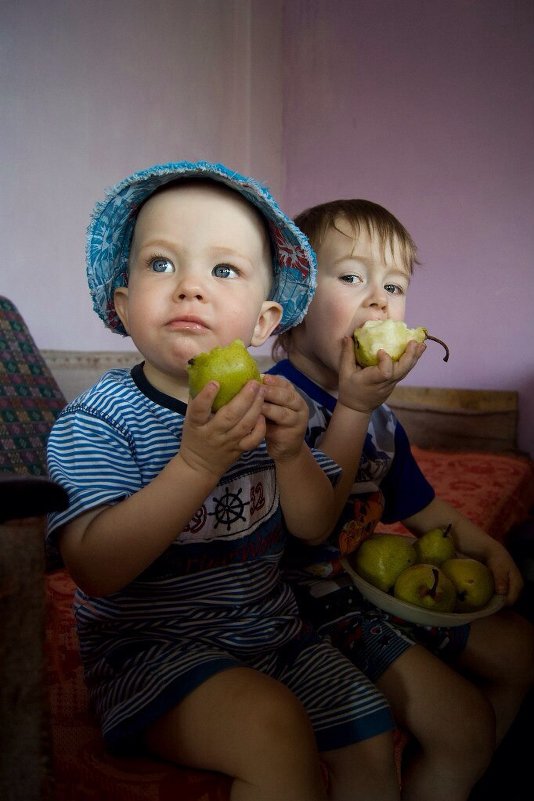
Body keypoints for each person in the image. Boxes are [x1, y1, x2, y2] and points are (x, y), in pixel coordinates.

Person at [47, 163, 407, 801]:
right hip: (151, 654)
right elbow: (94, 569)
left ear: (266, 322)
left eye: (222, 270)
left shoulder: (276, 406)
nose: (189, 288)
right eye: (161, 264)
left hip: (273, 631)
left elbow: (314, 525)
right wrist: (194, 466)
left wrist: (294, 454)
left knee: (372, 737)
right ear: (122, 305)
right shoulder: (98, 424)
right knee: (274, 729)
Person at [270, 198, 534, 801]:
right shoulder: (277, 406)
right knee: (464, 724)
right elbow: (305, 528)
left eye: (394, 284)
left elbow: (420, 505)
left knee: (519, 648)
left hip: (369, 588)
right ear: (290, 305)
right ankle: (447, 756)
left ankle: (440, 774)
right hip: (310, 605)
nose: (379, 300)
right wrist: (353, 410)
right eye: (352, 277)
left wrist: (487, 546)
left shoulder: (382, 419)